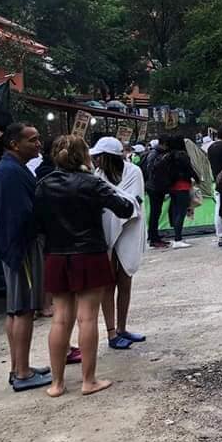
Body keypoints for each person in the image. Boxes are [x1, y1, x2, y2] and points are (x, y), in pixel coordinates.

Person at [35, 135, 135, 397]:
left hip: (56, 255)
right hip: (89, 253)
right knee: (87, 317)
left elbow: (35, 222)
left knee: (60, 318)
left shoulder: (43, 184)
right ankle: (88, 381)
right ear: (84, 156)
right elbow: (124, 208)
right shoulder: (92, 183)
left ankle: (56, 384)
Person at [0, 123, 51, 392]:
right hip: (21, 249)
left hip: (12, 247)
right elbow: (22, 214)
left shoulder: (9, 169)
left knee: (15, 308)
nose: (38, 144)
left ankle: (18, 367)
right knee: (24, 309)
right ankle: (23, 373)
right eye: (32, 140)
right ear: (15, 144)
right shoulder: (11, 173)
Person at [92, 137, 147, 351]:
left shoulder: (134, 172)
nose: (96, 160)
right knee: (108, 283)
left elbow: (133, 203)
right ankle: (111, 332)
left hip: (130, 232)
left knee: (125, 280)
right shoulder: (97, 176)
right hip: (106, 234)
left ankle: (123, 328)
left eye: (99, 156)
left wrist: (113, 199)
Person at [160, 135, 199, 249]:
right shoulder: (182, 155)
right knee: (181, 213)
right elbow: (189, 169)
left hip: (172, 187)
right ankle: (178, 239)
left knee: (176, 211)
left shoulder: (168, 156)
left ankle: (177, 236)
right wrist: (196, 178)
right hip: (183, 186)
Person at [144, 139, 168, 249]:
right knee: (155, 212)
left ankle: (154, 235)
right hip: (154, 187)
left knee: (156, 212)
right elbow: (151, 170)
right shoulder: (155, 154)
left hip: (154, 187)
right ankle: (153, 238)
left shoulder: (155, 153)